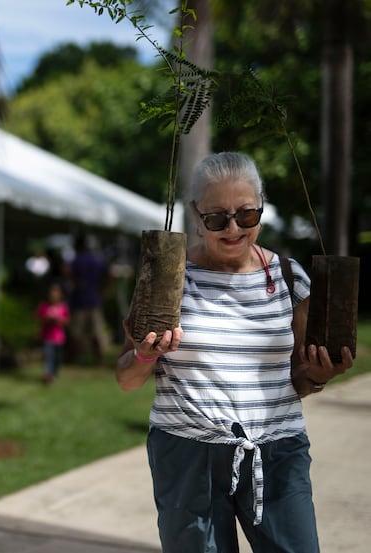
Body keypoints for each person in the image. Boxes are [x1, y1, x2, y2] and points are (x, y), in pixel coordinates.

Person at [115, 151, 354, 553]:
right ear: (195, 215)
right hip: (187, 453)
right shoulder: (167, 280)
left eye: (246, 215)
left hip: (277, 450)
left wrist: (317, 375)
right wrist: (145, 354)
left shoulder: (289, 277)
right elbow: (125, 379)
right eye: (216, 218)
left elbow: (298, 378)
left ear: (261, 208)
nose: (232, 228)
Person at [67, 233, 110, 365]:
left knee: (76, 333)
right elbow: (111, 273)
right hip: (94, 300)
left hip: (80, 301)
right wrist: (104, 289)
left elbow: (68, 273)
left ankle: (74, 359)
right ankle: (98, 360)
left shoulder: (76, 260)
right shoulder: (96, 259)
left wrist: (76, 281)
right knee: (95, 333)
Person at [36, 282, 70, 383]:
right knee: (48, 357)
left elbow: (66, 321)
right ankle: (48, 374)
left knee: (57, 358)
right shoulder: (44, 306)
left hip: (59, 338)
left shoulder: (63, 307)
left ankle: (54, 373)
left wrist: (58, 319)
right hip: (47, 337)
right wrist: (48, 318)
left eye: (56, 292)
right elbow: (39, 319)